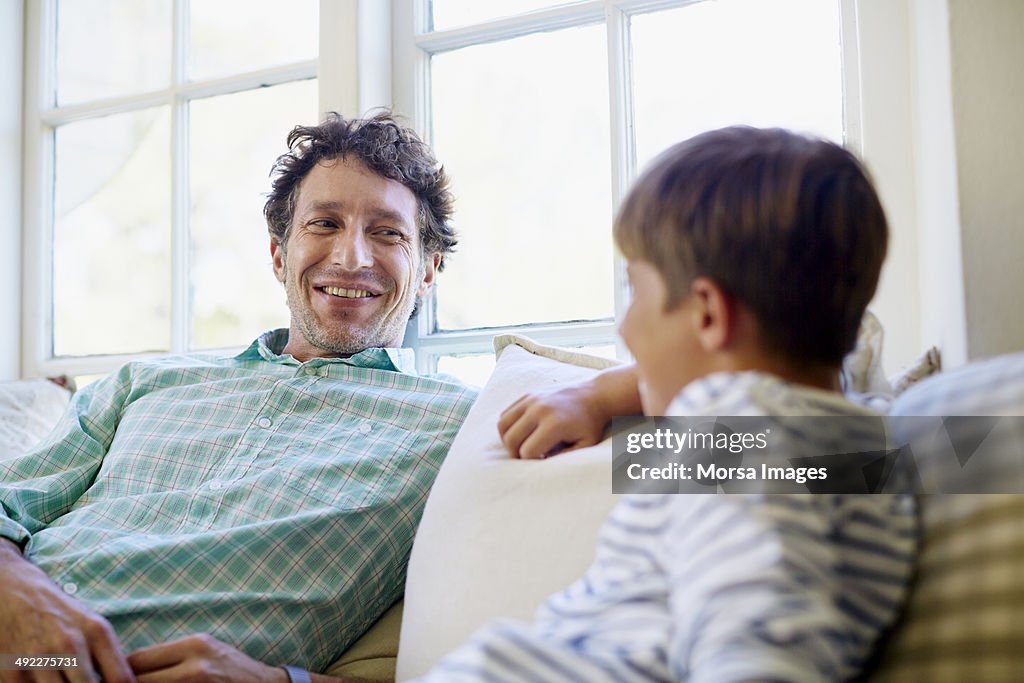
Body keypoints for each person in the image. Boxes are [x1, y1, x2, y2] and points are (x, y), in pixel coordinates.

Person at [418, 127, 918, 681]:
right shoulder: (864, 440)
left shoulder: (744, 435)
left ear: (706, 313)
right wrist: (601, 394)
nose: (624, 324)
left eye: (636, 289)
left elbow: (760, 648)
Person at [0, 112, 479, 683]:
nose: (351, 257)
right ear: (279, 256)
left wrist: (281, 682)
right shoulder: (145, 383)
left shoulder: (465, 423)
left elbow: (620, 469)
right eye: (324, 223)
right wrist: (20, 592)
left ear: (428, 269)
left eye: (388, 232)